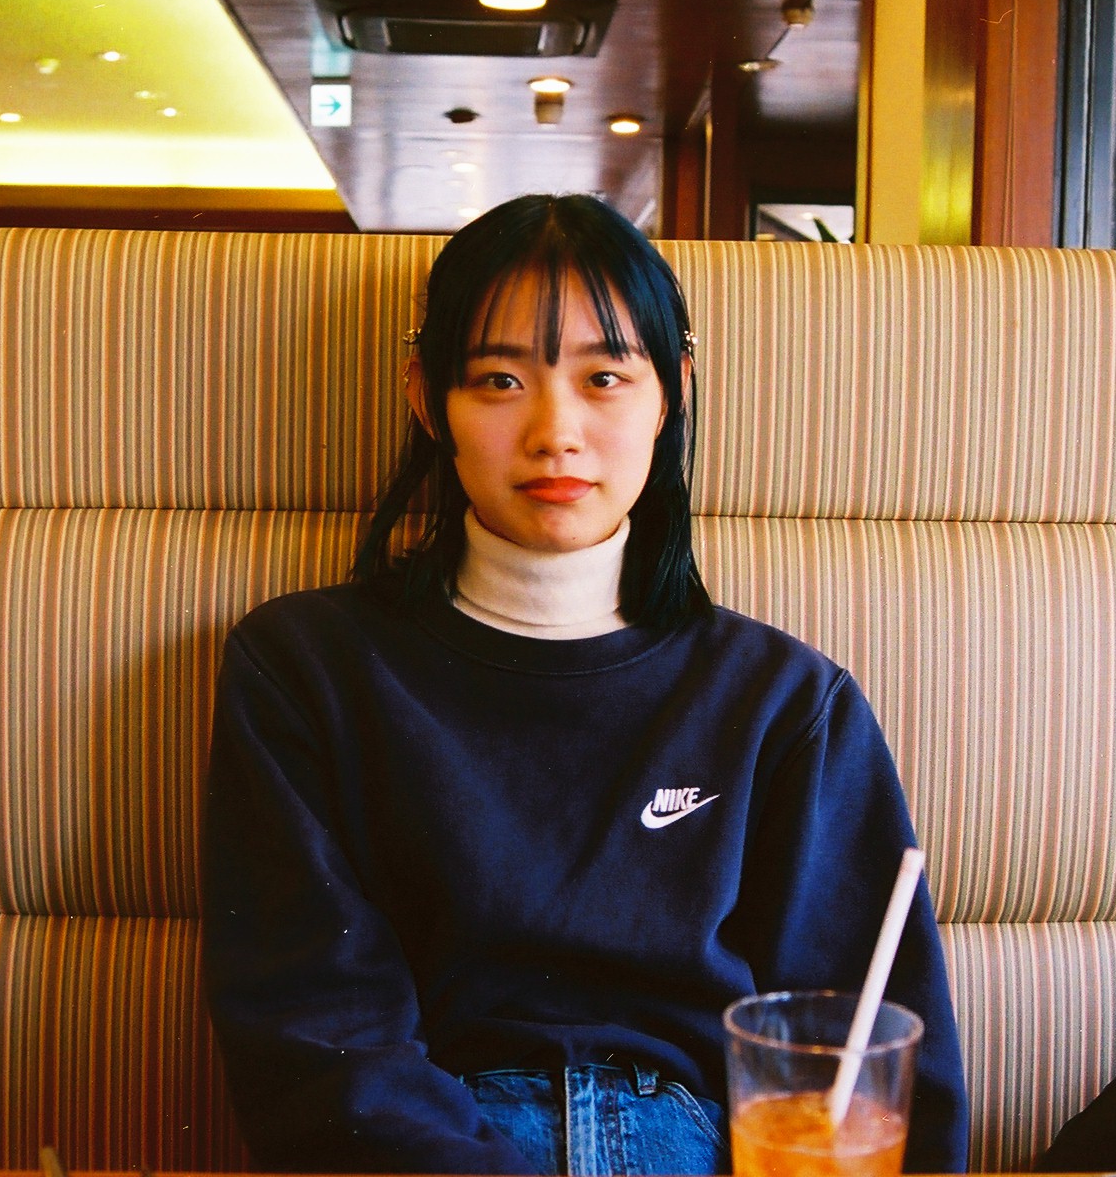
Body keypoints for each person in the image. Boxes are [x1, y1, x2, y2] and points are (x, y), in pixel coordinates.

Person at [202, 193, 968, 1176]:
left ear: (671, 392)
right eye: (499, 379)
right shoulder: (306, 667)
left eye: (605, 376)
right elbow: (319, 1034)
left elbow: (875, 1056)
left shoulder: (784, 700)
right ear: (427, 398)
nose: (554, 430)